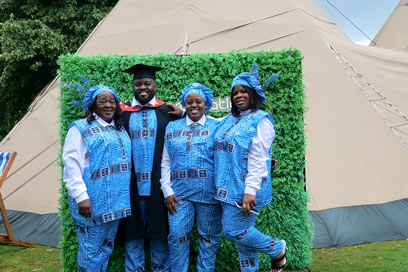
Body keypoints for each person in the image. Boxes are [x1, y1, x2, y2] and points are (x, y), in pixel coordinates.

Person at [213, 64, 287, 272]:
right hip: (230, 189)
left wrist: (250, 190)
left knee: (232, 230)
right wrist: (185, 111)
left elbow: (258, 159)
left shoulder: (261, 121)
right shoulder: (231, 120)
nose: (238, 95)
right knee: (243, 235)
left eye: (243, 91)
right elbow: (210, 121)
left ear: (253, 93)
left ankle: (276, 248)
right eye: (235, 92)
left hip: (247, 190)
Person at [118, 64, 182, 272]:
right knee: (132, 234)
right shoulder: (122, 112)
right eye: (138, 84)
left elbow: (195, 124)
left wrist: (182, 114)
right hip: (130, 187)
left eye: (147, 83)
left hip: (160, 187)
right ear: (133, 86)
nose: (142, 87)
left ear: (155, 85)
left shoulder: (168, 112)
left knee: (159, 234)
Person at [62, 84, 132, 271]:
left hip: (115, 203)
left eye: (112, 101)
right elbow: (71, 164)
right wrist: (81, 197)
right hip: (91, 202)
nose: (108, 105)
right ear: (93, 105)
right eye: (103, 101)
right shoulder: (80, 129)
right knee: (90, 251)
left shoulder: (119, 129)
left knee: (106, 248)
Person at [160, 83, 222, 272]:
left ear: (207, 103)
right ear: (184, 104)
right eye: (189, 102)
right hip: (179, 196)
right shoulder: (172, 127)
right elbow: (165, 162)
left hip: (209, 196)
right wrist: (167, 191)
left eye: (198, 102)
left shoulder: (218, 126)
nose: (194, 106)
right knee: (177, 237)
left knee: (208, 240)